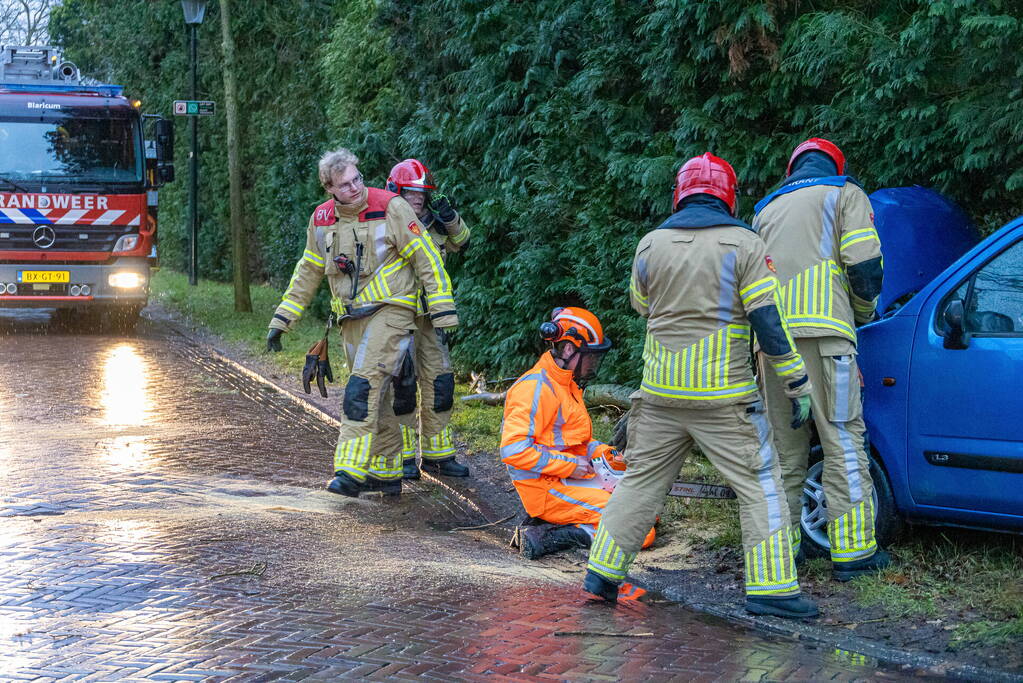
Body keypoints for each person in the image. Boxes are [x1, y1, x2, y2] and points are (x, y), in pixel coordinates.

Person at [582, 153, 819, 619]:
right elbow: (768, 322)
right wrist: (797, 381)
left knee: (641, 482)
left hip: (658, 396)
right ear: (728, 195)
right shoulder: (745, 245)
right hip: (724, 398)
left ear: (680, 193)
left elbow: (640, 305)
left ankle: (601, 574)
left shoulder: (650, 245)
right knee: (761, 485)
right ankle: (772, 591)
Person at [266, 148, 458, 498]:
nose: (355, 188)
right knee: (379, 394)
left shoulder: (391, 207)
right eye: (345, 184)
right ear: (329, 188)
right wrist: (282, 319)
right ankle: (386, 471)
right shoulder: (321, 218)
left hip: (394, 309)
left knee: (362, 386)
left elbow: (427, 256)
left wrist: (443, 310)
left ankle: (349, 470)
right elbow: (308, 270)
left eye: (357, 179)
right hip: (350, 318)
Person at [752, 138, 889, 581]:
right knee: (843, 439)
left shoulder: (764, 210)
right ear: (834, 164)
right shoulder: (844, 193)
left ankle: (782, 555)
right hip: (828, 338)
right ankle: (853, 552)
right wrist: (863, 315)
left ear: (793, 168)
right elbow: (865, 268)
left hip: (772, 348)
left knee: (782, 453)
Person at [500, 307, 655, 560]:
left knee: (647, 510)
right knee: (640, 530)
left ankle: (561, 524)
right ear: (570, 349)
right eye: (591, 357)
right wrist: (571, 466)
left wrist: (603, 453)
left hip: (566, 479)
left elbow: (571, 439)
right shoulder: (536, 388)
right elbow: (513, 450)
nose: (593, 364)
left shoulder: (567, 385)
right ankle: (558, 535)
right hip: (545, 488)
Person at [385, 159, 472, 480]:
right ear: (397, 191)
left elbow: (463, 242)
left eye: (423, 193)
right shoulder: (385, 223)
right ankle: (403, 457)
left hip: (431, 318)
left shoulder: (435, 224)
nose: (419, 198)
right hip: (398, 315)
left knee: (441, 382)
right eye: (412, 192)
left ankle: (438, 456)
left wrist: (450, 219)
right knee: (402, 385)